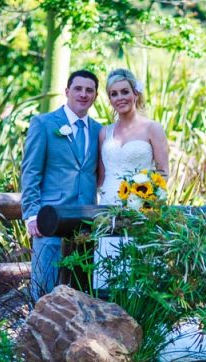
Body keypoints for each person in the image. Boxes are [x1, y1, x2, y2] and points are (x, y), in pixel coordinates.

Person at [21, 69, 102, 301]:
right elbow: (31, 172)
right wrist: (31, 214)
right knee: (43, 293)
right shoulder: (44, 123)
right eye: (78, 88)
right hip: (49, 220)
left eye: (89, 90)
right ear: (67, 91)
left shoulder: (99, 131)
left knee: (82, 296)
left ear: (95, 96)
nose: (83, 94)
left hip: (86, 225)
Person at [93, 68, 170, 290]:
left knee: (137, 277)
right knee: (108, 276)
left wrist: (147, 201)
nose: (120, 98)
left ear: (135, 93)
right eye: (114, 94)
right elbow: (101, 176)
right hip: (107, 210)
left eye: (124, 91)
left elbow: (163, 172)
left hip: (141, 209)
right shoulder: (104, 133)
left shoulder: (152, 128)